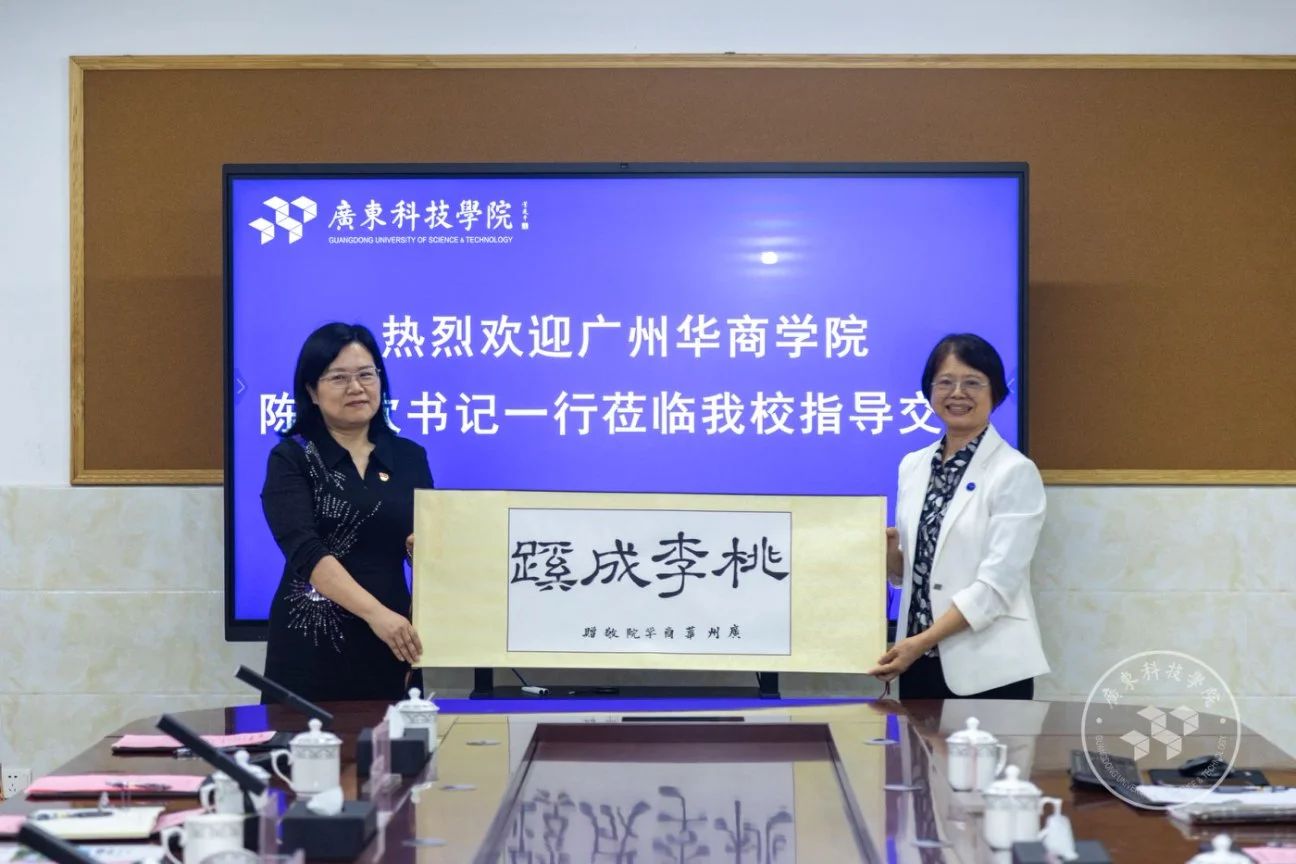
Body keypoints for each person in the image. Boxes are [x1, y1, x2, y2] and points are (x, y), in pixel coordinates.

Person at [868, 333, 1049, 699]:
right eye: (945, 382)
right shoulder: (913, 465)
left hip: (987, 668)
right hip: (917, 663)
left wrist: (922, 641)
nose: (957, 394)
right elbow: (918, 573)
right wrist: (891, 556)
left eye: (972, 383)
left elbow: (997, 586)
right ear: (929, 391)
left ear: (995, 392)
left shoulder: (1014, 471)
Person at [261, 322, 433, 701]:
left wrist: (421, 551)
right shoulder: (292, 457)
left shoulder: (409, 457)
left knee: (395, 739)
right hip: (313, 641)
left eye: (366, 374)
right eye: (338, 378)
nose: (356, 388)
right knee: (306, 740)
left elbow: (425, 545)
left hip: (393, 637)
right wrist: (376, 615)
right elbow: (306, 551)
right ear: (312, 391)